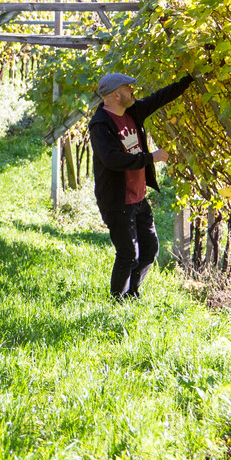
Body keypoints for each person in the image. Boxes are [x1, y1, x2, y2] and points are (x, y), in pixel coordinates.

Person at [88, 71, 197, 300]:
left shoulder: (133, 110)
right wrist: (150, 157)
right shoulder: (101, 125)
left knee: (149, 250)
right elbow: (112, 159)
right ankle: (116, 302)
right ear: (116, 95)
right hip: (117, 201)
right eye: (129, 88)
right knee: (128, 254)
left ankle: (131, 295)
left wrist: (190, 78)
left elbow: (160, 97)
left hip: (138, 197)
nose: (133, 91)